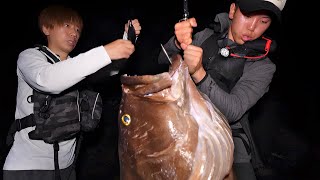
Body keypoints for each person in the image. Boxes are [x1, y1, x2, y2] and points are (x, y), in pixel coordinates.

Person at [3, 4, 141, 180]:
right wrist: (105, 51)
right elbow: (46, 80)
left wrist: (127, 40)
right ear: (46, 28)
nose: (74, 33)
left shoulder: (77, 66)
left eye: (77, 29)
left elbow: (111, 70)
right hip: (27, 169)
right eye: (67, 26)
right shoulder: (30, 57)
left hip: (67, 169)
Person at [158, 0, 287, 179]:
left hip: (227, 140)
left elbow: (233, 110)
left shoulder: (263, 67)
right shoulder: (205, 36)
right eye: (248, 16)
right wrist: (177, 43)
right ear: (233, 10)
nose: (252, 27)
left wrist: (199, 73)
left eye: (263, 21)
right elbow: (161, 60)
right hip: (181, 127)